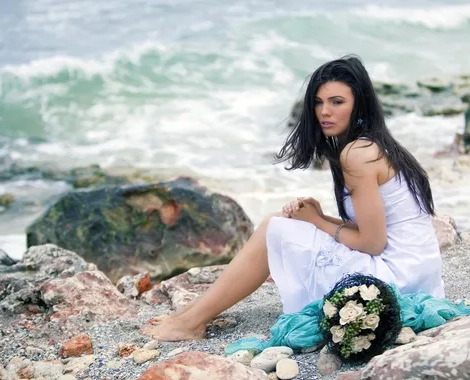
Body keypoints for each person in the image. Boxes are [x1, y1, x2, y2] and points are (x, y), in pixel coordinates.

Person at [144, 55, 444, 341]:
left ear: (359, 105)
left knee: (271, 230)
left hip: (397, 278)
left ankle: (190, 322)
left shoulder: (357, 154)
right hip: (418, 273)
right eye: (318, 102)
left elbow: (373, 243)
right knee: (278, 223)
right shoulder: (372, 145)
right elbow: (379, 230)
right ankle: (192, 314)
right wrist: (321, 217)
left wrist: (315, 221)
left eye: (337, 102)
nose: (324, 112)